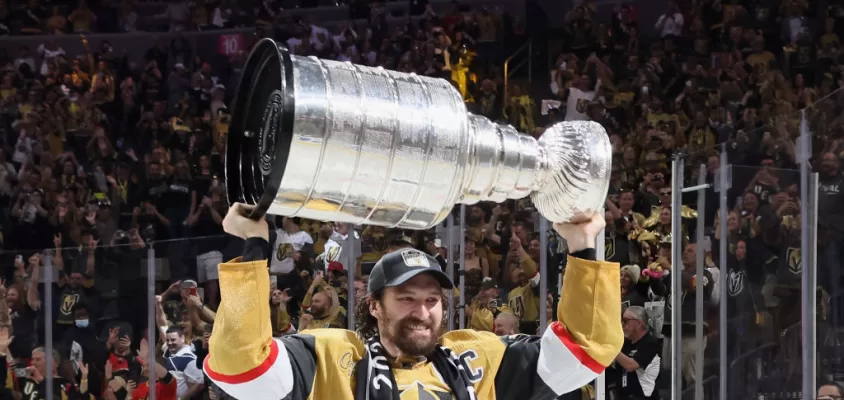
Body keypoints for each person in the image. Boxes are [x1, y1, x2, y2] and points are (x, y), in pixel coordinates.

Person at [202, 203, 623, 400]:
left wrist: (583, 246)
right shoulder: (330, 359)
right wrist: (255, 246)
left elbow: (582, 352)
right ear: (374, 306)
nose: (423, 311)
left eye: (432, 299)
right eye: (405, 298)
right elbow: (241, 366)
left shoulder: (478, 357)